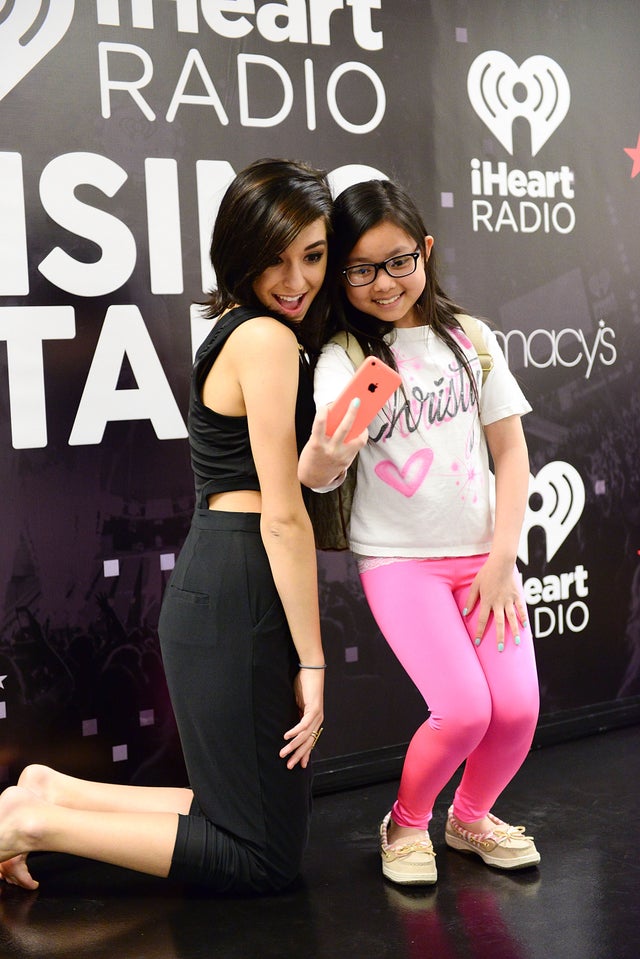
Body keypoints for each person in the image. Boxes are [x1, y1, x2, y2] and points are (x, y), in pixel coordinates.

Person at [0, 158, 362, 896]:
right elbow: (284, 518)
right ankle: (27, 826)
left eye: (314, 255)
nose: (296, 277)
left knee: (241, 818)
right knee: (259, 855)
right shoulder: (262, 340)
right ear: (239, 250)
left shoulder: (246, 330)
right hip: (239, 586)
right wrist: (315, 662)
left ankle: (49, 793)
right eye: (275, 257)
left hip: (221, 579)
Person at [300, 178, 540, 885]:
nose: (384, 283)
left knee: (519, 709)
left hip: (484, 560)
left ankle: (470, 817)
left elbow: (512, 452)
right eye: (363, 269)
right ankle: (406, 823)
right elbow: (318, 473)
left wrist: (503, 558)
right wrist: (327, 450)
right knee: (464, 709)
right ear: (343, 273)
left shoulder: (470, 338)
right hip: (400, 564)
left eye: (399, 261)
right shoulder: (345, 355)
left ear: (425, 251)